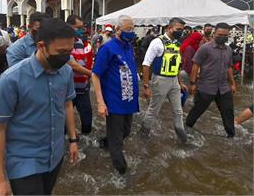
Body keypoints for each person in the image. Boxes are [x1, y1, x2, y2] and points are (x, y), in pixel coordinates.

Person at [0, 18, 79, 196]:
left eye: (69, 51)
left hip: (55, 156)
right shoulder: (11, 79)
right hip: (24, 161)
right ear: (41, 45)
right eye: (61, 51)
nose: (66, 57)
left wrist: (73, 140)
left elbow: (67, 105)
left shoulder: (66, 72)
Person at [92, 15, 139, 174]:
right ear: (118, 29)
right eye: (128, 29)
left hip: (128, 100)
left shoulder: (129, 46)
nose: (131, 31)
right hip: (114, 101)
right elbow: (95, 75)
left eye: (133, 28)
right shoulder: (108, 48)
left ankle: (104, 142)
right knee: (117, 141)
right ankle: (121, 173)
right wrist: (100, 102)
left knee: (126, 132)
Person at [186, 22, 236, 138]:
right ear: (214, 33)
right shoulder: (205, 48)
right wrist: (193, 84)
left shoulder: (228, 50)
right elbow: (195, 65)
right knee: (197, 110)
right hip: (206, 87)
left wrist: (233, 84)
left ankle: (231, 135)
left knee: (228, 111)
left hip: (223, 88)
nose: (222, 37)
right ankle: (187, 128)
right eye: (220, 34)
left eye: (225, 35)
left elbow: (229, 68)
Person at [141, 17, 188, 143]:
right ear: (169, 28)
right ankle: (143, 135)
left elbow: (176, 64)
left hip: (174, 81)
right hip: (160, 80)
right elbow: (146, 64)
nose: (180, 32)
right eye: (178, 29)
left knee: (178, 111)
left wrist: (180, 82)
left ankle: (183, 138)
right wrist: (146, 86)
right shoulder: (157, 42)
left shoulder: (177, 43)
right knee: (153, 110)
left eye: (182, 30)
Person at [66, 15, 93, 134]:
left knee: (87, 119)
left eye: (82, 27)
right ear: (69, 27)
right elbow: (73, 65)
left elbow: (83, 62)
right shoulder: (63, 43)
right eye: (78, 28)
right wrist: (93, 74)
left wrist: (88, 79)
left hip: (83, 88)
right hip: (68, 90)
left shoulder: (80, 42)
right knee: (65, 123)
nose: (81, 30)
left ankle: (86, 142)